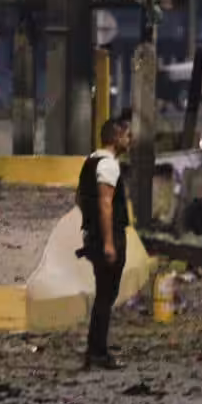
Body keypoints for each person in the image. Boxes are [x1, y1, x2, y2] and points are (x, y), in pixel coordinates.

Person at [76, 118, 132, 370]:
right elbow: (105, 203)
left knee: (104, 294)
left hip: (93, 235)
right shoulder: (108, 166)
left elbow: (80, 198)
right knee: (106, 295)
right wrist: (109, 242)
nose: (129, 140)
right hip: (108, 236)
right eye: (127, 135)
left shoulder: (90, 161)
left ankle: (95, 349)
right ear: (116, 136)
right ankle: (98, 351)